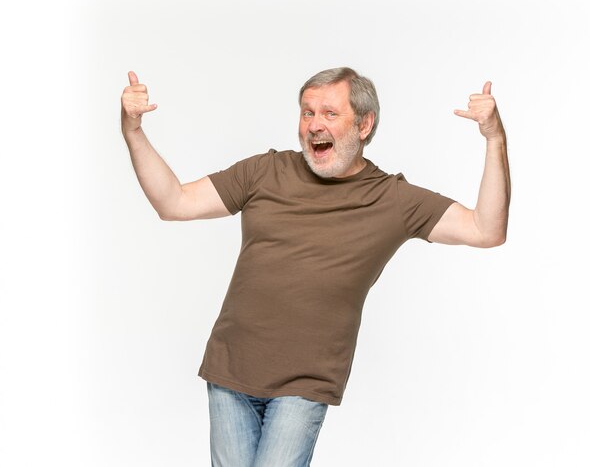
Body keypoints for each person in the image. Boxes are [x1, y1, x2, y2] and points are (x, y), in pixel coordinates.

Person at [120, 67, 510, 467]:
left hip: (304, 385)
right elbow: (175, 202)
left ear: (364, 124)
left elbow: (486, 228)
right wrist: (133, 131)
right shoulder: (264, 172)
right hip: (230, 372)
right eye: (307, 113)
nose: (314, 125)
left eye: (329, 113)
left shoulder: (393, 199)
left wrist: (495, 138)